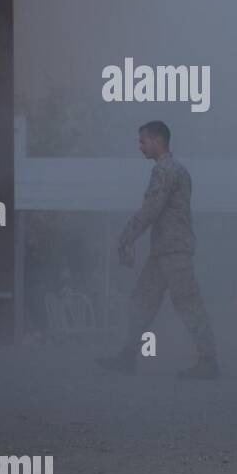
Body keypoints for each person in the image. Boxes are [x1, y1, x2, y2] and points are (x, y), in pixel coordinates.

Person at [97, 121, 219, 379]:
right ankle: (128, 355)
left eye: (143, 141)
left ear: (157, 141)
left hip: (172, 252)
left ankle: (208, 361)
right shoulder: (179, 171)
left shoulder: (164, 171)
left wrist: (127, 236)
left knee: (187, 303)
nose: (140, 147)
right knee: (143, 301)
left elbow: (152, 208)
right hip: (167, 250)